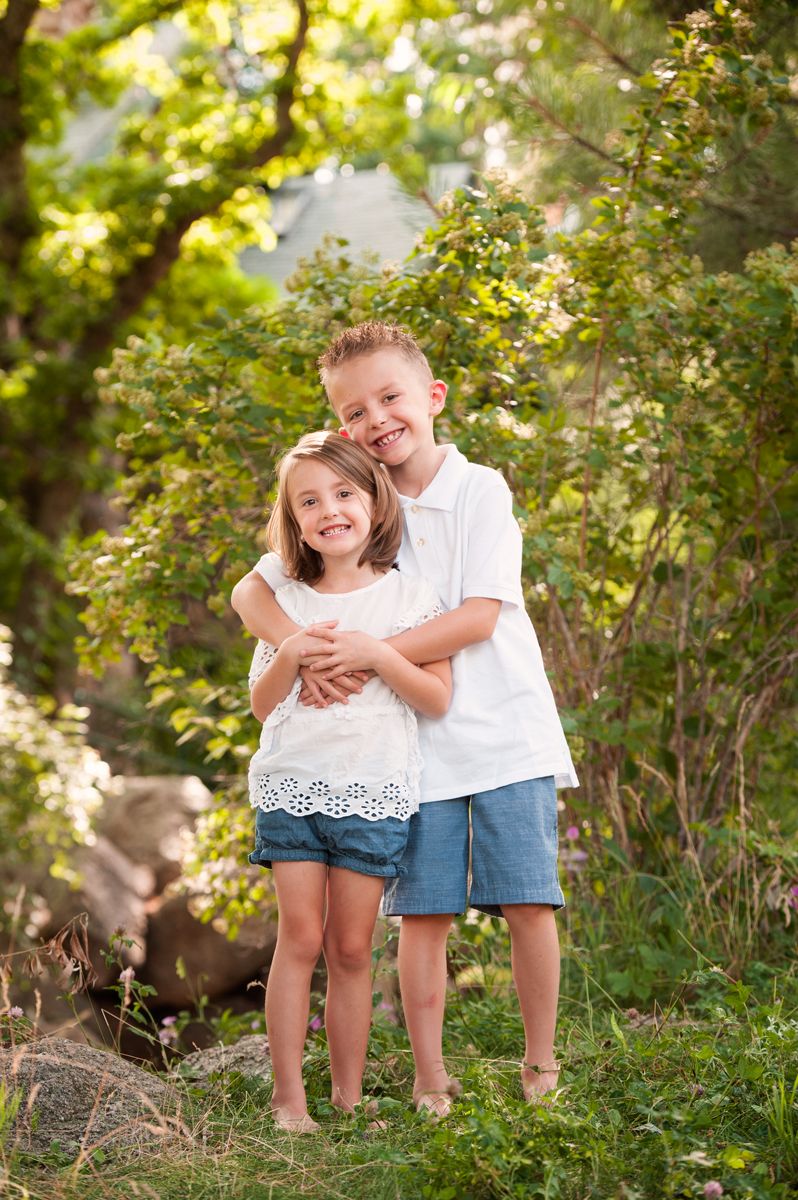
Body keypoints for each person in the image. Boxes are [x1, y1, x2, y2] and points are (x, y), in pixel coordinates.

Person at [232, 323, 577, 1116]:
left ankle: (542, 1072)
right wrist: (301, 651)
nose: (376, 419)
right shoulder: (353, 493)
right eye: (354, 410)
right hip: (404, 752)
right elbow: (252, 593)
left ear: (431, 398)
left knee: (528, 902)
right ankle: (431, 1080)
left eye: (390, 398)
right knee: (421, 915)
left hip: (504, 731)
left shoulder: (478, 488)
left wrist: (360, 654)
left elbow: (479, 618)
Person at [245, 430, 451, 1133]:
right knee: (299, 939)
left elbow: (437, 697)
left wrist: (373, 657)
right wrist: (295, 655)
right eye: (309, 501)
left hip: (374, 793)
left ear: (373, 500)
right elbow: (262, 703)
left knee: (353, 949)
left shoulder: (412, 597)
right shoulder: (289, 599)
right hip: (291, 788)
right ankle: (288, 1101)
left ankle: (348, 1099)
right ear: (294, 520)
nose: (328, 510)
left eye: (342, 493)